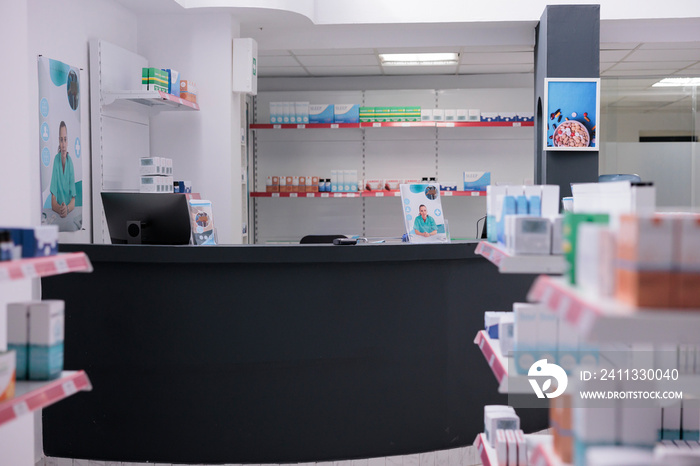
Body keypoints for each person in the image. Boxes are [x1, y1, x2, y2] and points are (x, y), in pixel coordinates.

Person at [50, 121, 76, 218]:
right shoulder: (56, 161)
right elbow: (53, 200)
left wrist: (67, 209)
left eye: (65, 140)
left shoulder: (70, 163)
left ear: (68, 141)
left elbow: (73, 199)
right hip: (59, 213)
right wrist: (60, 209)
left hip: (69, 213)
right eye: (61, 140)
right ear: (59, 142)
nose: (63, 144)